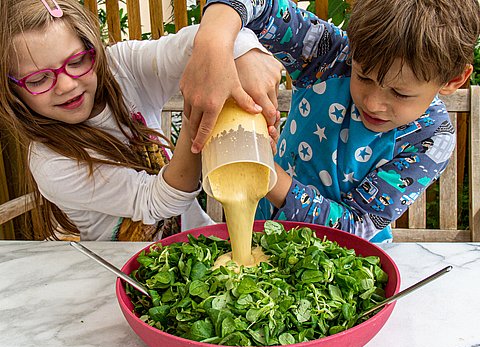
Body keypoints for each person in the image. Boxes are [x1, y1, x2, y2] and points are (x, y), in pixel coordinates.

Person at [181, 0, 480, 242]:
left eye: (400, 94)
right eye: (363, 76)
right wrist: (215, 42)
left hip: (344, 265)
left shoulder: (430, 138)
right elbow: (258, 6)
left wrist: (265, 175)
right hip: (259, 226)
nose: (373, 103)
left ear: (454, 80)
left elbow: (356, 225)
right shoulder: (329, 56)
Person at [0, 0, 281, 241]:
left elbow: (195, 43)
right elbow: (159, 201)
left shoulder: (122, 67)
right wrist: (195, 112)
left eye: (76, 62)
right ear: (12, 90)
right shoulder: (50, 163)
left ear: (93, 50)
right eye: (38, 79)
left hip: (200, 242)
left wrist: (242, 53)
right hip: (129, 271)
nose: (66, 85)